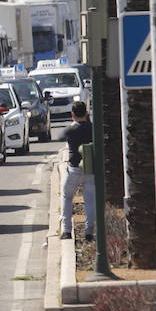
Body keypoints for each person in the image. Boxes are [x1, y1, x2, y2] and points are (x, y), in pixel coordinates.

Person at [61, 100, 95, 241]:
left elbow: (61, 136)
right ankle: (89, 233)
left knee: (67, 197)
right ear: (87, 113)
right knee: (90, 201)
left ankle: (67, 230)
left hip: (74, 169)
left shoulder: (71, 129)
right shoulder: (93, 128)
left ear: (72, 115)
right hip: (90, 169)